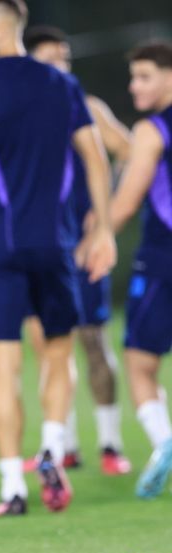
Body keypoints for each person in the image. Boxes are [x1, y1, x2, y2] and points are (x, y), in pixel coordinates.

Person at [0, 0, 116, 516]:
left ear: (0, 28)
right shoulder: (62, 86)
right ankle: (50, 447)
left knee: (4, 367)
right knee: (58, 354)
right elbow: (95, 159)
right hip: (56, 245)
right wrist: (104, 229)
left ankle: (11, 489)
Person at [21, 25, 132, 475]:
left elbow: (128, 150)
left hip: (81, 248)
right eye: (51, 60)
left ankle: (110, 444)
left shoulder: (85, 108)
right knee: (46, 344)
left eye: (65, 59)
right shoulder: (19, 114)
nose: (62, 67)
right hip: (37, 247)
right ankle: (61, 445)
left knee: (92, 341)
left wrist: (101, 218)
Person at [106, 42, 172, 498]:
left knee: (139, 362)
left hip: (162, 257)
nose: (135, 86)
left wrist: (95, 240)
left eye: (145, 76)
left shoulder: (151, 130)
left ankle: (163, 441)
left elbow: (127, 202)